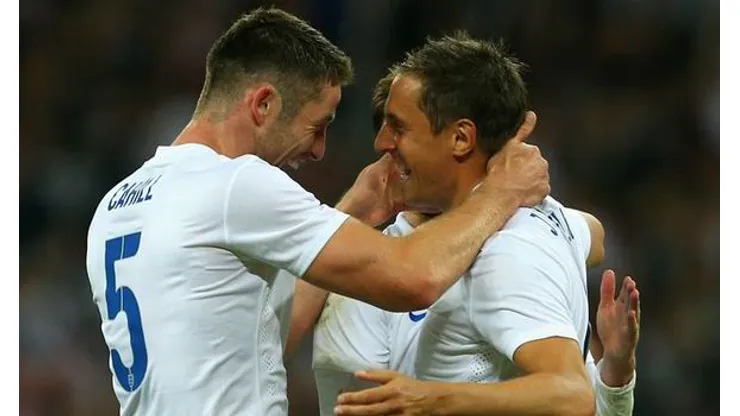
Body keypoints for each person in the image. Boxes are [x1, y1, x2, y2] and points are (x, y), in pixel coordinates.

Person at [84, 8, 549, 416]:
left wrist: (355, 209)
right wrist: (501, 192)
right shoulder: (235, 184)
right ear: (263, 104)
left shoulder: (117, 205)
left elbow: (265, 340)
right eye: (318, 125)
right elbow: (414, 279)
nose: (320, 150)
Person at [318, 32, 640, 416]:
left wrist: (431, 398)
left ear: (460, 138)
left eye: (398, 128)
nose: (381, 144)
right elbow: (594, 236)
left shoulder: (505, 251)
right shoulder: (549, 221)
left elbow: (571, 394)